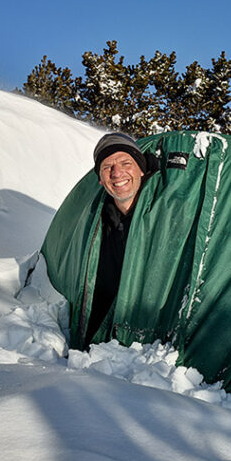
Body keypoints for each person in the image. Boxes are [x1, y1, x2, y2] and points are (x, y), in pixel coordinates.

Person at [86, 132, 156, 342]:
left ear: (141, 170)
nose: (117, 173)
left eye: (126, 163)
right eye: (107, 167)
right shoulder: (98, 223)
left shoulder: (160, 214)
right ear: (100, 179)